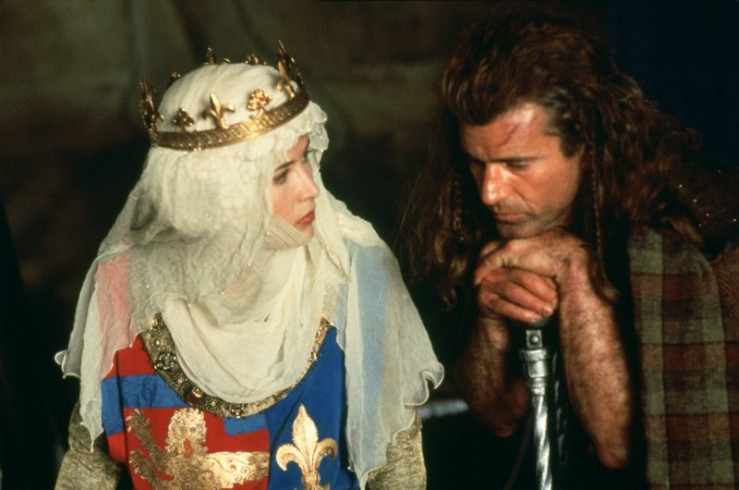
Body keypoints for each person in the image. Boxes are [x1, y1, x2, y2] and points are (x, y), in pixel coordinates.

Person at [55, 44, 443, 489]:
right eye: (281, 174)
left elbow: (397, 465)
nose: (310, 189)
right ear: (214, 194)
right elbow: (90, 463)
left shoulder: (352, 270)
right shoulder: (126, 283)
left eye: (305, 159)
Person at [400, 5, 738, 489]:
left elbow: (622, 447)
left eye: (517, 164)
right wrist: (490, 318)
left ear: (587, 142)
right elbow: (498, 416)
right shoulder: (473, 213)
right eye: (478, 163)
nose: (490, 191)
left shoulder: (699, 240)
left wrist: (576, 271)